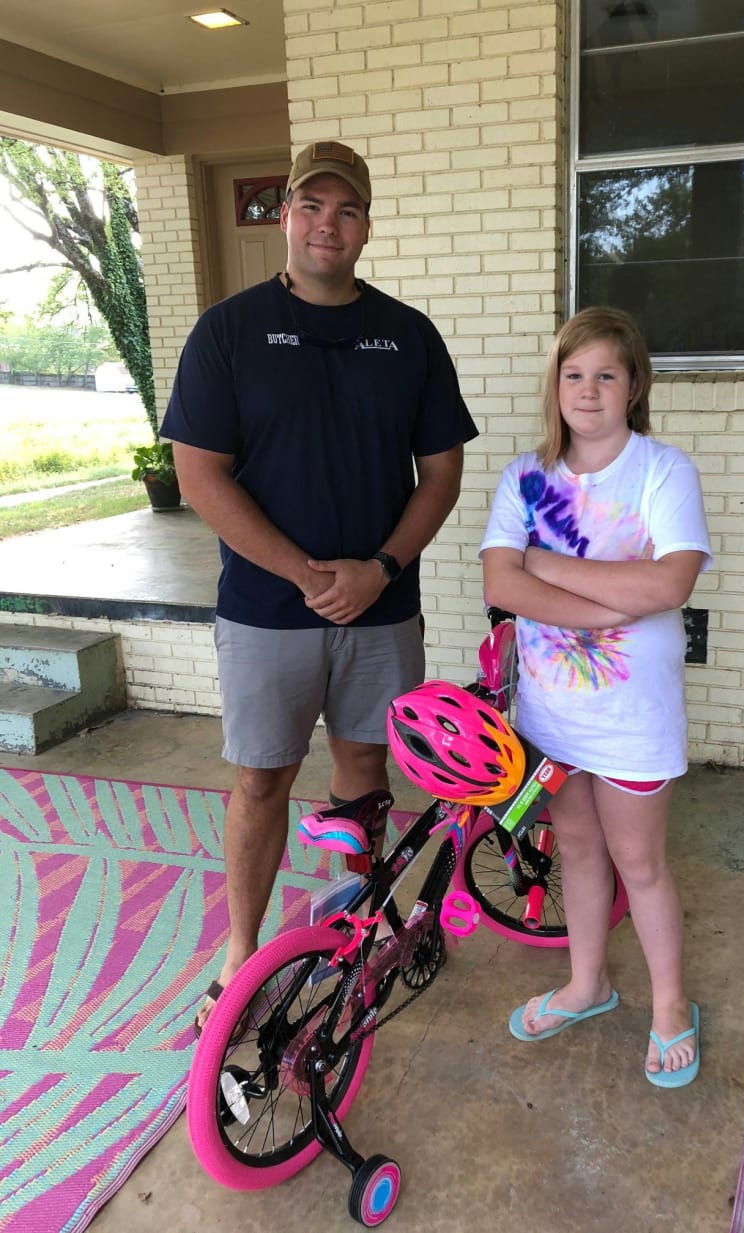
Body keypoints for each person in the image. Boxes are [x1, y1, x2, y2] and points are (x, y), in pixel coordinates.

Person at [160, 139, 478, 1035]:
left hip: (382, 610)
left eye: (345, 209)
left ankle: (351, 925)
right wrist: (304, 572)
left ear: (366, 226)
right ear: (286, 217)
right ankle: (241, 951)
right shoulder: (228, 331)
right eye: (311, 206)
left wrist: (378, 568)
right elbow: (200, 475)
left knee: (365, 770)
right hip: (267, 612)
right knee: (260, 781)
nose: (326, 224)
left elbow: (442, 473)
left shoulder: (409, 336)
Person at [480, 306, 712, 1087]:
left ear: (633, 384)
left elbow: (670, 579)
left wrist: (547, 564)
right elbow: (499, 581)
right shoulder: (525, 476)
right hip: (551, 716)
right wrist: (616, 601)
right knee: (576, 849)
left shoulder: (662, 471)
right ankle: (589, 984)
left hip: (632, 719)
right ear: (555, 386)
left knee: (639, 863)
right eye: (572, 374)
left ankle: (671, 1005)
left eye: (605, 373)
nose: (587, 389)